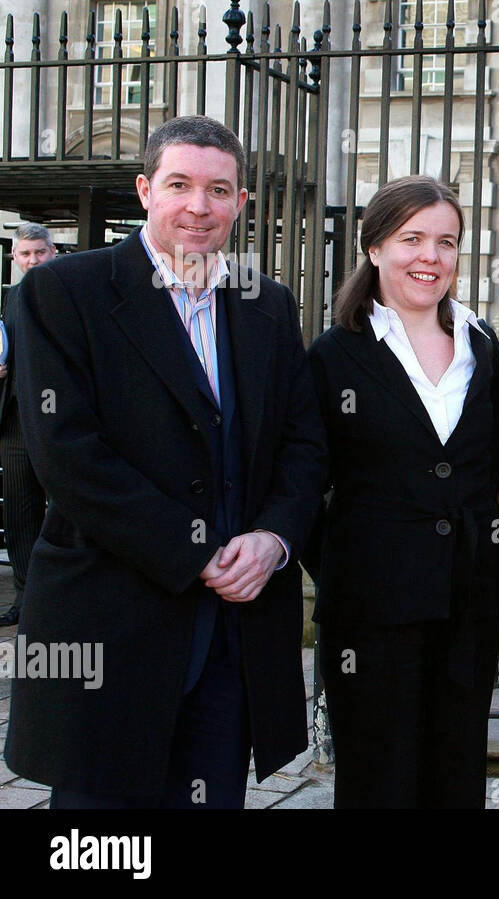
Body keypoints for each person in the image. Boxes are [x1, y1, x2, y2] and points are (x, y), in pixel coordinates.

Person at [2, 115, 328, 808]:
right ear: (146, 190)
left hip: (229, 638)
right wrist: (198, 551)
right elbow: (67, 454)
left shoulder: (266, 305)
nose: (198, 206)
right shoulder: (64, 294)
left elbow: (303, 446)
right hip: (108, 630)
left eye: (219, 190)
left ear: (242, 204)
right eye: (180, 184)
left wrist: (274, 538)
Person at [305, 175, 499, 808]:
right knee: (379, 779)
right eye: (411, 238)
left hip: (468, 602)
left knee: (455, 773)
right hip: (372, 610)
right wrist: (351, 568)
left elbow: (490, 468)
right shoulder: (334, 356)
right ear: (373, 248)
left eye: (446, 242)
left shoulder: (483, 346)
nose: (431, 257)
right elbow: (302, 483)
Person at [0, 223, 58, 627]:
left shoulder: (73, 294)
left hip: (60, 422)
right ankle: (26, 595)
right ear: (15, 259)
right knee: (19, 513)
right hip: (16, 421)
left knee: (69, 508)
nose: (32, 260)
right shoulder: (13, 298)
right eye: (25, 254)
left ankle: (62, 594)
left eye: (39, 252)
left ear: (53, 252)